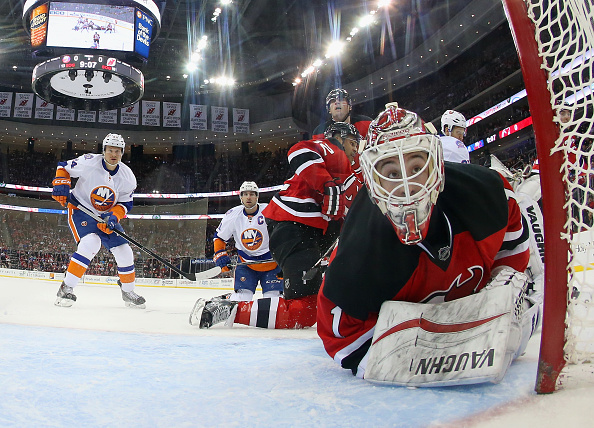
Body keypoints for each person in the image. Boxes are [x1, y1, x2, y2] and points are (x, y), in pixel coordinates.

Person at [316, 104, 540, 384]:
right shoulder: (360, 249)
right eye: (392, 173)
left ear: (437, 165)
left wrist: (503, 290)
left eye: (417, 166)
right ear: (372, 182)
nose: (408, 186)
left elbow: (512, 256)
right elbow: (341, 335)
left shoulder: (488, 196)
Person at [190, 122, 359, 329]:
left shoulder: (350, 174)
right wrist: (327, 184)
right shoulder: (333, 149)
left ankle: (229, 304)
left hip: (300, 235)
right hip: (295, 228)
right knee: (303, 311)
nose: (355, 150)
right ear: (340, 138)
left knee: (312, 302)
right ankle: (227, 308)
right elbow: (299, 150)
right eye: (353, 143)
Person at [52, 133, 146, 308]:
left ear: (122, 153)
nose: (113, 154)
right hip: (81, 210)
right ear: (104, 150)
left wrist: (114, 217)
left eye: (117, 151)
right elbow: (63, 167)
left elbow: (125, 203)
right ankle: (66, 288)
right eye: (110, 150)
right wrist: (61, 183)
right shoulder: (88, 162)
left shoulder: (128, 176)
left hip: (106, 216)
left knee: (125, 251)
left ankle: (128, 291)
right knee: (91, 243)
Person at [204, 181, 283, 303]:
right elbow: (219, 237)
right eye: (245, 194)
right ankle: (228, 299)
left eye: (252, 194)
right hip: (246, 265)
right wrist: (220, 254)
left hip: (271, 264)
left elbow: (285, 232)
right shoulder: (232, 214)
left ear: (257, 196)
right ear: (240, 197)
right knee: (241, 300)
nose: (249, 197)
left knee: (273, 301)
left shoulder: (270, 211)